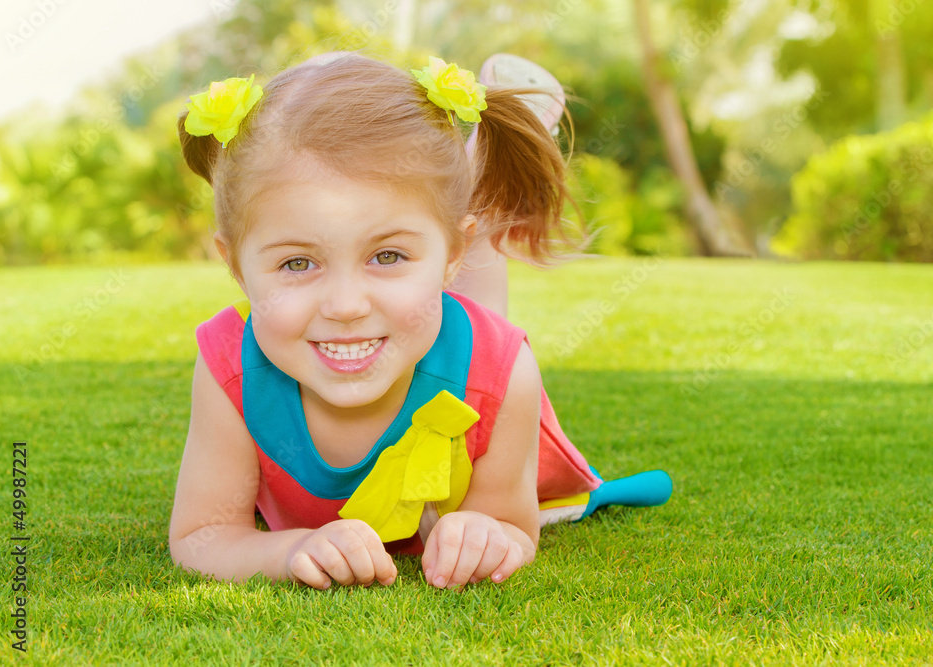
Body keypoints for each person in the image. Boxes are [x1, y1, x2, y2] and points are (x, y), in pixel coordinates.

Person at [169, 52, 671, 591]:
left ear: (454, 250)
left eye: (386, 255)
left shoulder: (504, 373)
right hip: (437, 315)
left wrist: (487, 532)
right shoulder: (231, 370)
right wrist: (288, 549)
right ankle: (445, 200)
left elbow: (511, 524)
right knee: (429, 315)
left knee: (475, 338)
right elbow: (204, 536)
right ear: (235, 266)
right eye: (297, 262)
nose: (345, 306)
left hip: (467, 355)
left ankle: (478, 177)